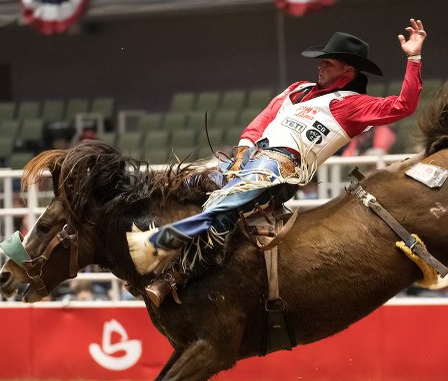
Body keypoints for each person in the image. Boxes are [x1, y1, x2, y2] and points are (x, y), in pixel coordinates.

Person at [130, 20, 428, 305]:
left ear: (347, 70)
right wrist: (242, 151)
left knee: (226, 204)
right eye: (321, 61)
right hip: (251, 158)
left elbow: (404, 105)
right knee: (186, 183)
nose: (320, 65)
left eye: (327, 63)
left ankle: (170, 263)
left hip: (282, 170)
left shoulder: (353, 105)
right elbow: (262, 120)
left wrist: (413, 58)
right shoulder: (297, 89)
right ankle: (148, 250)